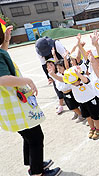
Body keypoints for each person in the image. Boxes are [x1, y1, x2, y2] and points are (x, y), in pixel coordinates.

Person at [0, 24, 61, 176]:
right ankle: (37, 172)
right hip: (14, 104)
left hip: (9, 106)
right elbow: (2, 79)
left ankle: (34, 163)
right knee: (35, 137)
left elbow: (2, 56)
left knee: (28, 135)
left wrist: (6, 41)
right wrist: (27, 80)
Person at [63, 66, 99, 140]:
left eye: (74, 82)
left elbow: (85, 80)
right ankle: (92, 128)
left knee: (95, 116)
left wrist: (79, 74)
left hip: (90, 100)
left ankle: (98, 129)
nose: (73, 84)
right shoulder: (73, 83)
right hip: (82, 102)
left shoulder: (85, 79)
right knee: (87, 116)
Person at [35, 37, 66, 114]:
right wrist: (49, 77)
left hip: (61, 61)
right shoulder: (39, 51)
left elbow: (66, 57)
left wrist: (65, 70)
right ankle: (61, 101)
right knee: (56, 84)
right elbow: (43, 65)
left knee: (66, 82)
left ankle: (68, 99)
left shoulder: (56, 44)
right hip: (51, 65)